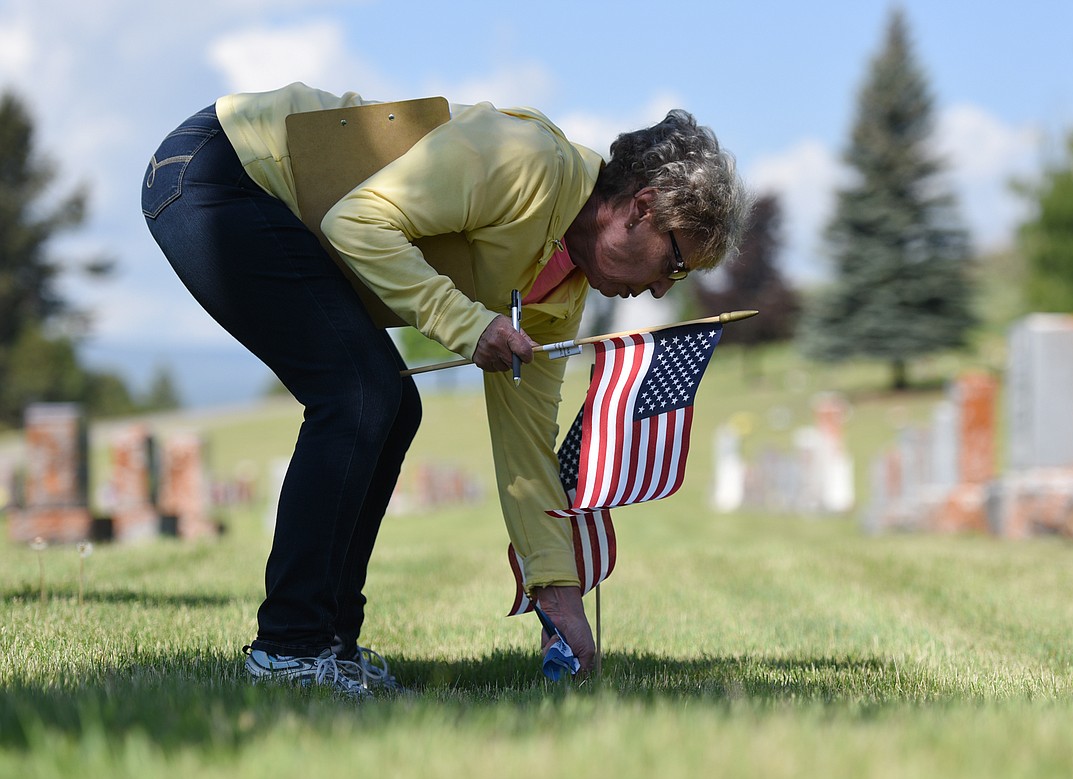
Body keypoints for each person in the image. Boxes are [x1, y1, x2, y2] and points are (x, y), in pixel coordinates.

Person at [141, 82, 750, 697]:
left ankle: (327, 644)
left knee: (391, 403)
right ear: (640, 208)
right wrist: (467, 325)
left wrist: (559, 595)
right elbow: (356, 222)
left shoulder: (561, 293)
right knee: (361, 393)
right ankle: (289, 647)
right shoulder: (528, 162)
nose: (665, 292)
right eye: (675, 263)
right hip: (219, 172)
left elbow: (526, 448)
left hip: (253, 195)